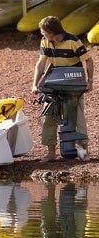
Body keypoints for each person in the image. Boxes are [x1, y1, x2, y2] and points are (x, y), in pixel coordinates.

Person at [32, 16, 94, 162]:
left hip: (74, 84)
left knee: (77, 116)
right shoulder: (45, 41)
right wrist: (35, 84)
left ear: (52, 31)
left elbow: (88, 60)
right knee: (49, 116)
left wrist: (89, 81)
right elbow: (41, 63)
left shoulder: (73, 41)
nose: (42, 34)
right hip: (53, 82)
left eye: (43, 31)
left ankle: (84, 152)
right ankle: (51, 154)